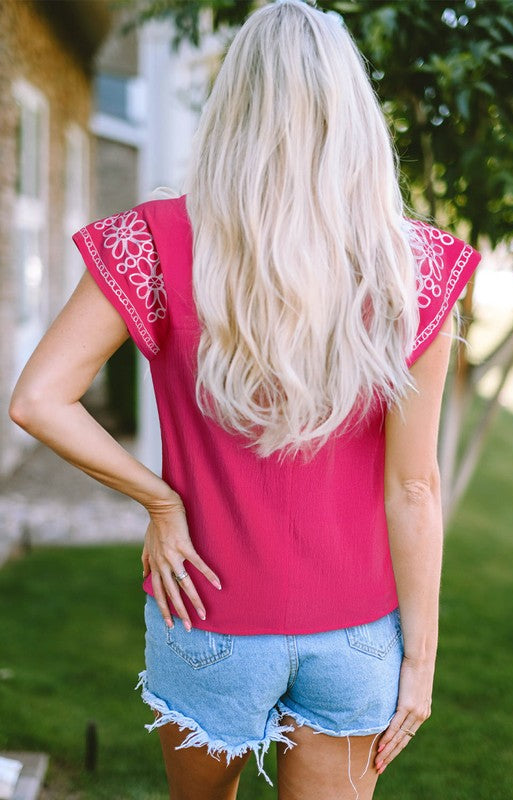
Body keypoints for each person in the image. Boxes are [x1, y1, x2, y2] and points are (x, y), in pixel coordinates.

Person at [9, 0, 482, 798]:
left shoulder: (155, 239)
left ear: (233, 106)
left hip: (209, 616)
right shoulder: (417, 267)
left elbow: (37, 399)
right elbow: (414, 485)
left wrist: (161, 503)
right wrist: (419, 664)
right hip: (357, 634)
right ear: (352, 111)